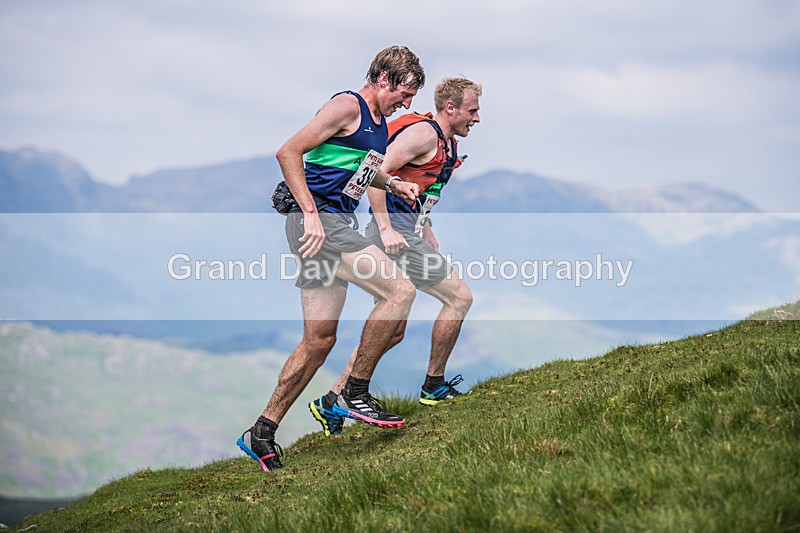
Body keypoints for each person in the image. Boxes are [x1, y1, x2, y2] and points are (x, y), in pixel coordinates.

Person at [237, 46, 425, 472]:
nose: (408, 103)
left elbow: (356, 167)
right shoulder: (348, 106)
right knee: (399, 290)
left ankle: (262, 432)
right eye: (405, 92)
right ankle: (352, 393)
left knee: (319, 341)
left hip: (332, 222)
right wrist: (310, 215)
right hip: (321, 224)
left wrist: (392, 184)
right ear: (382, 80)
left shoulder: (378, 123)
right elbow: (288, 151)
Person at [309, 77, 482, 436]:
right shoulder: (423, 135)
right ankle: (433, 385)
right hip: (392, 234)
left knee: (393, 331)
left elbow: (421, 191)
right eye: (472, 110)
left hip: (405, 232)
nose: (477, 118)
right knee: (459, 297)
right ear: (450, 107)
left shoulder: (446, 143)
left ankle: (333, 401)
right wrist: (385, 228)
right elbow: (373, 169)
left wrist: (426, 229)